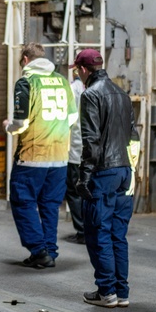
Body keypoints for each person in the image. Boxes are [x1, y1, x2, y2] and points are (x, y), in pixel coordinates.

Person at [4, 43, 77, 269]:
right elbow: (73, 117)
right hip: (60, 157)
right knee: (50, 205)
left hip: (32, 156)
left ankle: (38, 250)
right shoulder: (63, 82)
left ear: (25, 59)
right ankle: (49, 251)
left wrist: (9, 126)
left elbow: (21, 122)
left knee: (22, 200)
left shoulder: (26, 82)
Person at [74, 48, 135, 308]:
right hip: (124, 170)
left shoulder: (90, 94)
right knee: (117, 235)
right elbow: (133, 135)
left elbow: (91, 140)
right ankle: (121, 292)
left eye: (78, 69)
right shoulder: (122, 94)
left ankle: (106, 291)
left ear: (84, 70)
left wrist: (83, 176)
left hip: (103, 171)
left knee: (98, 232)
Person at [65, 73, 86, 243]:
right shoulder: (98, 88)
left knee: (74, 191)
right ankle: (92, 229)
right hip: (95, 152)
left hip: (75, 149)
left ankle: (82, 230)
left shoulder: (72, 89)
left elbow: (68, 119)